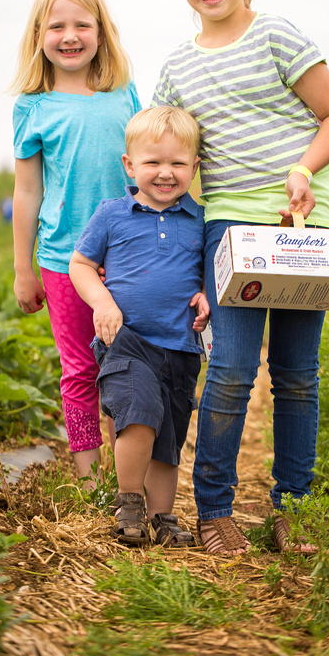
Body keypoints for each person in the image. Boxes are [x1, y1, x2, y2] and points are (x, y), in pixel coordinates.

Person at [152, 0, 329, 556]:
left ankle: (292, 508)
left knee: (298, 376)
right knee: (232, 371)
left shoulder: (276, 35)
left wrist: (302, 170)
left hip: (304, 227)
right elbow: (165, 153)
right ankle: (215, 512)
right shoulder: (177, 69)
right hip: (230, 232)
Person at [10, 0, 141, 485]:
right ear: (39, 35)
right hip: (63, 257)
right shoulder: (33, 105)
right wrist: (24, 268)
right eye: (56, 25)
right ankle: (91, 480)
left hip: (127, 254)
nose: (70, 35)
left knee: (129, 364)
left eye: (82, 24)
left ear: (101, 32)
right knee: (79, 370)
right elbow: (27, 192)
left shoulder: (123, 93)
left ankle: (131, 472)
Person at [69, 106, 209, 546]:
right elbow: (81, 264)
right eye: (153, 162)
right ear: (129, 165)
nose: (165, 173)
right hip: (126, 341)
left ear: (195, 167)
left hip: (182, 346)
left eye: (177, 163)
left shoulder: (201, 221)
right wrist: (102, 301)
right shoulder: (112, 214)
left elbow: (211, 272)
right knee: (139, 417)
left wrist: (206, 293)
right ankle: (128, 499)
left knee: (169, 436)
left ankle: (162, 515)